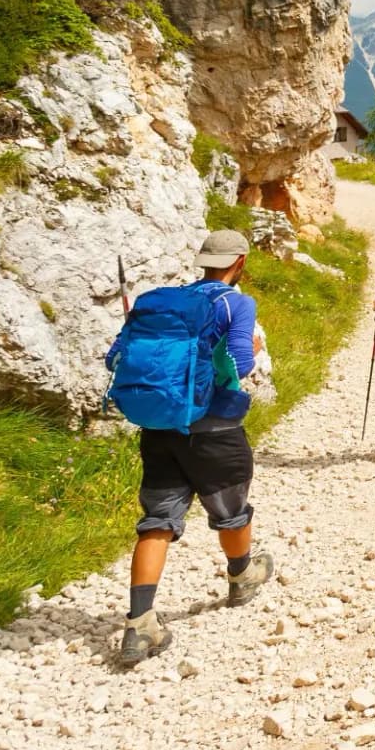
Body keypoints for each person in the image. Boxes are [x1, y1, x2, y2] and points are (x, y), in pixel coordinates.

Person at [108, 229, 275, 666]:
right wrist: (252, 349)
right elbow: (238, 364)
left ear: (204, 262)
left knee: (157, 520)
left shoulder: (160, 303)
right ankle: (241, 576)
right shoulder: (235, 302)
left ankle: (140, 623)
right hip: (215, 428)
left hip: (160, 426)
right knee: (231, 509)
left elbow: (114, 358)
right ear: (240, 263)